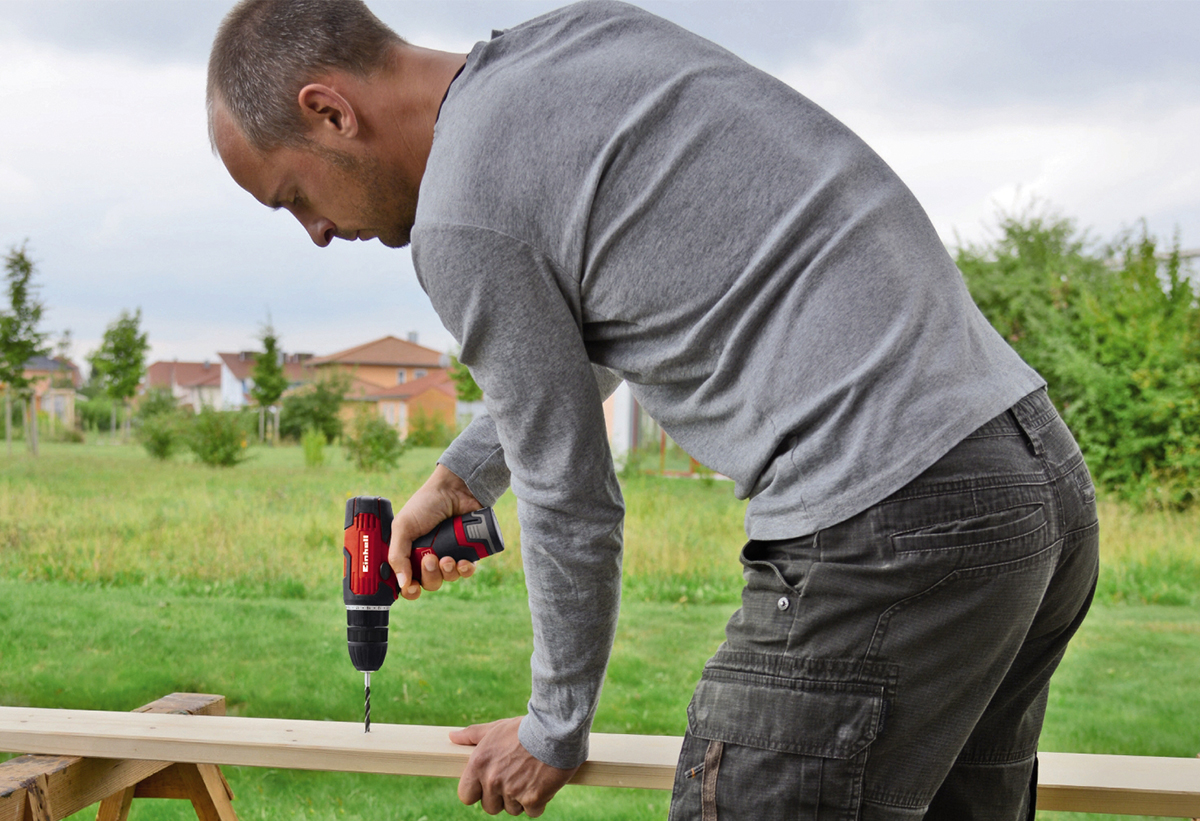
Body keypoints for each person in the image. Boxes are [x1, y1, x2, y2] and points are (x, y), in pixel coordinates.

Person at [207, 1, 1100, 818]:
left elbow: (571, 492)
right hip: (1032, 486)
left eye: (295, 198)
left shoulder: (461, 218)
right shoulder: (586, 40)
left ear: (330, 111)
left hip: (886, 520)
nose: (317, 232)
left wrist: (553, 725)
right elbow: (603, 327)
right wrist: (465, 475)